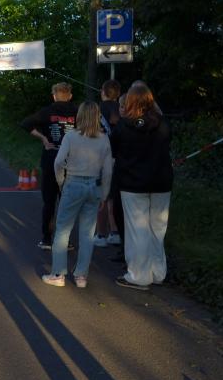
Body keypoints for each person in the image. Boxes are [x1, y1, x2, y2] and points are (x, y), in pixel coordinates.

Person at [42, 102, 113, 288]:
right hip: (94, 186)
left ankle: (58, 274)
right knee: (87, 234)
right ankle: (81, 276)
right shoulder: (104, 139)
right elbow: (108, 171)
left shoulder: (71, 136)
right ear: (97, 117)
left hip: (73, 184)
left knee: (63, 230)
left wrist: (61, 181)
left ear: (79, 116)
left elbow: (58, 162)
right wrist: (104, 194)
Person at [109, 83, 173, 290]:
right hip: (161, 182)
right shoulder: (163, 124)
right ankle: (158, 272)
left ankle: (138, 275)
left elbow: (113, 151)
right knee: (158, 229)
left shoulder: (123, 127)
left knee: (137, 230)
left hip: (132, 184)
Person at [20, 82, 78, 250]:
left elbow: (25, 124)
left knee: (49, 202)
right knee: (67, 203)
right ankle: (65, 241)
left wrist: (44, 138)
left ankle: (46, 239)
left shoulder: (47, 111)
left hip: (51, 160)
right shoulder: (78, 112)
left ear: (54, 96)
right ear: (70, 96)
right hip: (72, 162)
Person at [94, 79, 123, 248]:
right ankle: (115, 232)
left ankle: (100, 234)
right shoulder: (123, 110)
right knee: (113, 196)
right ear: (118, 94)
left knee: (101, 196)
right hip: (119, 158)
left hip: (100, 158)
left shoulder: (96, 110)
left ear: (103, 92)